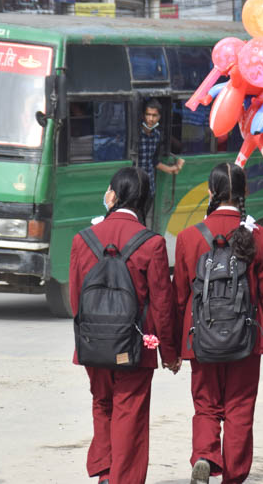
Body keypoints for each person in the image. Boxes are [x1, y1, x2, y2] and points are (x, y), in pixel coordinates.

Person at [172, 163, 263, 484]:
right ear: (245, 192)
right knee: (240, 407)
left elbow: (179, 299)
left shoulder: (188, 239)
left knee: (206, 405)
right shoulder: (260, 237)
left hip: (201, 339)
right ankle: (234, 476)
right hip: (246, 340)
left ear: (211, 193)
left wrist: (172, 350)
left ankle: (206, 455)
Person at [69, 167, 180, 484]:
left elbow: (77, 298)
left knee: (102, 403)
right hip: (134, 347)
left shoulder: (83, 240)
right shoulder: (152, 243)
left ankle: (105, 471)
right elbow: (161, 304)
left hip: (93, 343)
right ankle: (122, 479)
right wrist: (168, 353)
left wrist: (87, 339)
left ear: (114, 196)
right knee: (129, 413)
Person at [137, 99, 184, 226]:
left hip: (149, 186)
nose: (150, 119)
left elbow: (153, 160)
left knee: (143, 219)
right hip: (135, 186)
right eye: (148, 115)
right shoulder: (136, 135)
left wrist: (172, 168)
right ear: (143, 115)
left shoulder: (157, 136)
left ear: (159, 117)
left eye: (154, 115)